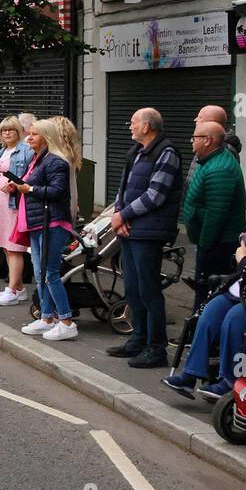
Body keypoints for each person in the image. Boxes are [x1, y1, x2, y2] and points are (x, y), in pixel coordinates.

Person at [163, 204, 246, 402]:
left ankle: (229, 380)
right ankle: (190, 374)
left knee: (232, 320)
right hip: (240, 289)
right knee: (209, 312)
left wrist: (244, 260)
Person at [107, 108, 183, 369]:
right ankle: (138, 340)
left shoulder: (166, 153)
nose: (129, 126)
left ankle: (156, 348)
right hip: (132, 228)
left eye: (133, 123)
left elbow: (156, 194)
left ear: (147, 126)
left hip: (150, 232)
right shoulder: (138, 152)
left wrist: (124, 215)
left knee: (149, 290)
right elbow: (124, 187)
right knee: (133, 289)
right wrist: (119, 213)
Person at [15, 119, 80, 341]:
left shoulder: (56, 162)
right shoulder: (40, 159)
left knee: (50, 272)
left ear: (47, 137)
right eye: (29, 133)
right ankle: (46, 317)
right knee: (40, 272)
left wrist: (29, 188)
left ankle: (66, 321)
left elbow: (57, 191)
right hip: (38, 222)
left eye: (34, 134)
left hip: (52, 223)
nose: (28, 138)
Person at [181, 120, 246, 312]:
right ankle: (196, 333)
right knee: (205, 291)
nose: (192, 141)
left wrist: (204, 246)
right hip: (214, 243)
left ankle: (200, 335)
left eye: (195, 137)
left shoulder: (220, 169)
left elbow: (216, 216)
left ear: (208, 140)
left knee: (210, 293)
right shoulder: (210, 161)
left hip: (218, 246)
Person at [0, 116, 34, 305]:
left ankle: (12, 290)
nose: (7, 133)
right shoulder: (3, 151)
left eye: (11, 130)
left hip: (13, 204)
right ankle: (19, 288)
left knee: (14, 248)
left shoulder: (26, 151)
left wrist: (16, 185)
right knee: (5, 246)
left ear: (18, 132)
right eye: (4, 130)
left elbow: (30, 177)